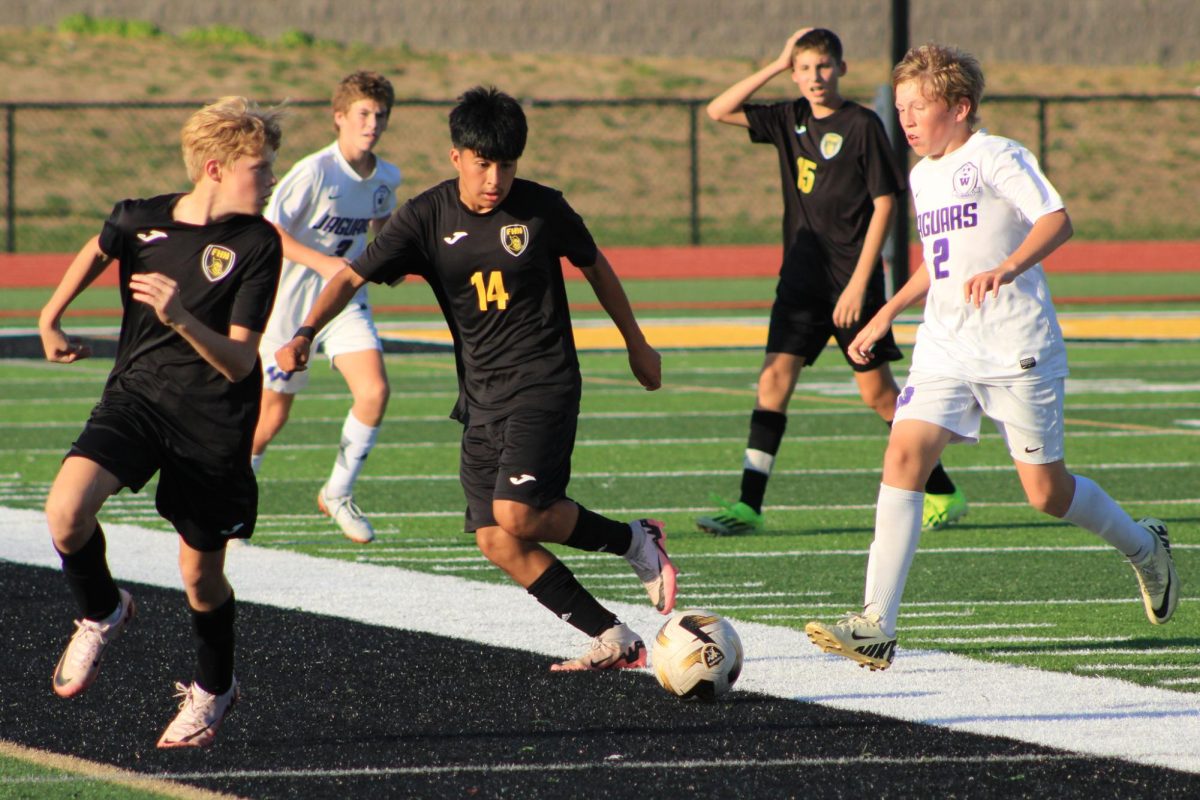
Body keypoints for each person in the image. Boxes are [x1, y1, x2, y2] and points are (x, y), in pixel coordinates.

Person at [275, 86, 677, 670]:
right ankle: (614, 636)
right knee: (495, 538)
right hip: (480, 395)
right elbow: (349, 275)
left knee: (517, 512)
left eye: (507, 165)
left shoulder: (542, 208)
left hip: (545, 382)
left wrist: (636, 344)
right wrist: (306, 331)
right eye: (483, 163)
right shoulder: (425, 217)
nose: (495, 178)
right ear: (456, 156)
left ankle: (635, 540)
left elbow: (596, 268)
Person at [804, 44, 1178, 671]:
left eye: (918, 107)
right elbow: (940, 262)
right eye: (900, 109)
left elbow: (1056, 221)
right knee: (904, 451)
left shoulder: (998, 156)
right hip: (946, 345)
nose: (907, 121)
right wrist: (886, 311)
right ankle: (876, 622)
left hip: (1016, 345)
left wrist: (1008, 267)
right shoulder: (923, 175)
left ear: (961, 106)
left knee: (1046, 493)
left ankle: (1145, 547)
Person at [38, 97, 283, 746]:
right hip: (138, 400)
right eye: (260, 169)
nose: (270, 180)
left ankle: (214, 688)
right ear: (214, 168)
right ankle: (101, 611)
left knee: (200, 577)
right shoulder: (141, 219)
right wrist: (50, 315)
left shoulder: (257, 243)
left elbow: (237, 361)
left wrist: (180, 318)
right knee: (65, 511)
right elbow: (101, 245)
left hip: (214, 424)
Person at [698, 27, 966, 537]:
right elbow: (718, 109)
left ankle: (944, 492)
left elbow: (886, 202)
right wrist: (777, 62)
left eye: (823, 66)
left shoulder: (863, 124)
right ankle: (748, 505)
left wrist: (857, 285)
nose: (814, 77)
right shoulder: (788, 117)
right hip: (800, 283)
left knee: (879, 396)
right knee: (773, 381)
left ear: (840, 68)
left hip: (853, 284)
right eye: (804, 69)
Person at [252, 71, 401, 544]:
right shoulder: (314, 171)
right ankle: (231, 493)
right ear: (339, 118)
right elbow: (268, 230)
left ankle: (337, 492)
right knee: (272, 416)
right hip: (290, 302)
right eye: (362, 113)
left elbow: (382, 231)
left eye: (379, 114)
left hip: (344, 299)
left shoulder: (386, 177)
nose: (372, 122)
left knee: (374, 391)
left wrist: (395, 258)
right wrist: (321, 261)